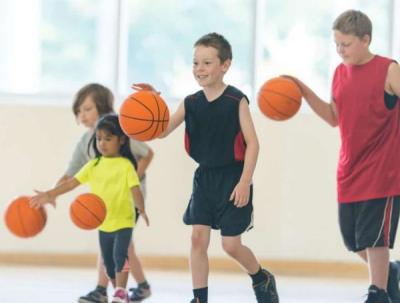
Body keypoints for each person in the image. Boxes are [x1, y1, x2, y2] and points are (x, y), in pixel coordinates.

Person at [133, 32, 279, 303]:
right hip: (205, 179)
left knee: (230, 245)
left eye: (207, 63)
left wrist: (245, 181)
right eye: (196, 63)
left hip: (234, 178)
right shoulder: (190, 103)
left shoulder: (237, 101)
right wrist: (152, 101)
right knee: (197, 239)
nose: (200, 68)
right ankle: (199, 298)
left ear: (225, 65)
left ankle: (261, 277)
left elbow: (253, 144)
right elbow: (161, 130)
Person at [287, 10, 400, 303]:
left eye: (346, 44)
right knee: (353, 240)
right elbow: (333, 116)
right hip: (349, 171)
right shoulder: (339, 72)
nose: (340, 50)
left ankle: (379, 293)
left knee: (375, 239)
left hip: (383, 171)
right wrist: (301, 89)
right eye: (337, 44)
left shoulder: (389, 70)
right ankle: (390, 274)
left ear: (366, 40)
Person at [31, 114, 150, 303]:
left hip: (124, 220)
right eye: (99, 138)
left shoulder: (126, 165)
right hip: (104, 222)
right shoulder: (93, 165)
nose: (102, 143)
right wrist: (50, 194)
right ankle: (118, 291)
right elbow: (71, 184)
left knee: (121, 255)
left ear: (121, 140)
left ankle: (120, 292)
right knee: (108, 264)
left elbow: (135, 189)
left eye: (108, 138)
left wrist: (141, 209)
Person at [57, 83, 153, 303]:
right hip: (107, 199)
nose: (82, 115)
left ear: (103, 107)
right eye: (79, 111)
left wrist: (129, 181)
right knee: (123, 245)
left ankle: (102, 290)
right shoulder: (86, 141)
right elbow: (70, 174)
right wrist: (51, 194)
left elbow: (147, 154)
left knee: (114, 243)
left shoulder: (120, 128)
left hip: (129, 197)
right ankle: (142, 287)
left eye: (87, 109)